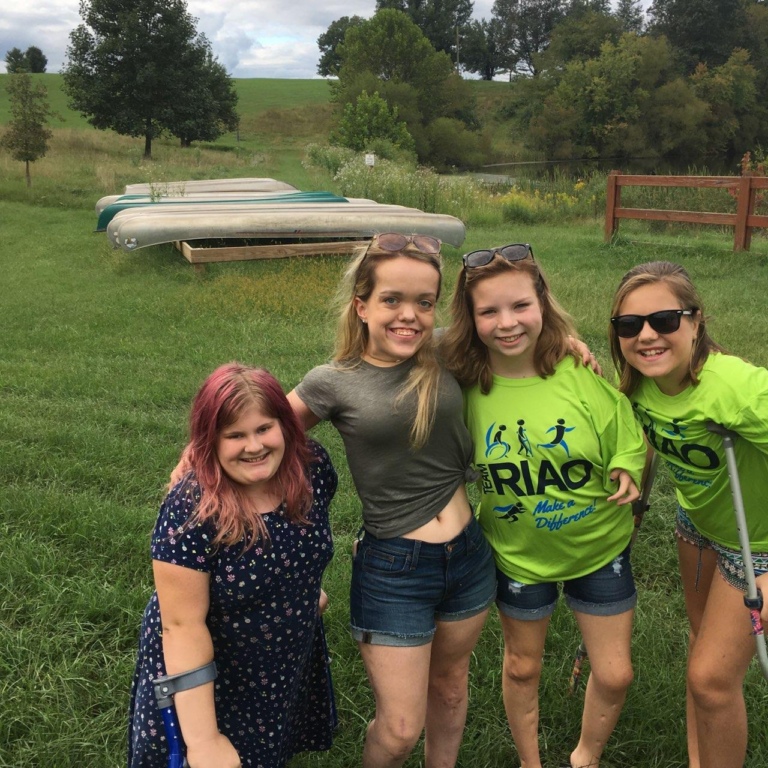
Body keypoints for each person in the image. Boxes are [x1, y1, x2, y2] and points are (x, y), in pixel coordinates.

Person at [287, 232, 498, 768]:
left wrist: (572, 344)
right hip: (395, 568)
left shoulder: (447, 351)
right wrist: (195, 463)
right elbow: (263, 430)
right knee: (401, 728)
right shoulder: (333, 381)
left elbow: (523, 331)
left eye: (424, 302)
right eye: (392, 300)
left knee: (449, 690)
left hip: (469, 556)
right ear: (361, 305)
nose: (410, 316)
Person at [441, 244, 647, 768]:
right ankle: (530, 761)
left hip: (600, 546)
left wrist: (625, 463)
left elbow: (624, 428)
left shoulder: (577, 373)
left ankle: (586, 757)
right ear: (470, 319)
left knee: (616, 672)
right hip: (518, 556)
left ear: (543, 304)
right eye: (489, 311)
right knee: (522, 668)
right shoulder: (463, 386)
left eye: (520, 306)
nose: (507, 323)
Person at [128, 363, 337, 768]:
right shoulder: (192, 508)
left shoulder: (311, 470)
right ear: (210, 441)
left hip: (278, 662)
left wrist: (305, 591)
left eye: (264, 428)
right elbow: (181, 626)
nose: (254, 446)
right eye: (235, 435)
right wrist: (204, 740)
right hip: (209, 675)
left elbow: (306, 542)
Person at [609, 261, 768, 768]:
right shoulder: (638, 381)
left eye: (664, 320)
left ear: (696, 321)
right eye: (629, 326)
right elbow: (634, 434)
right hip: (696, 525)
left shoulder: (735, 387)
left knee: (710, 679)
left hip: (758, 545)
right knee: (701, 649)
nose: (647, 336)